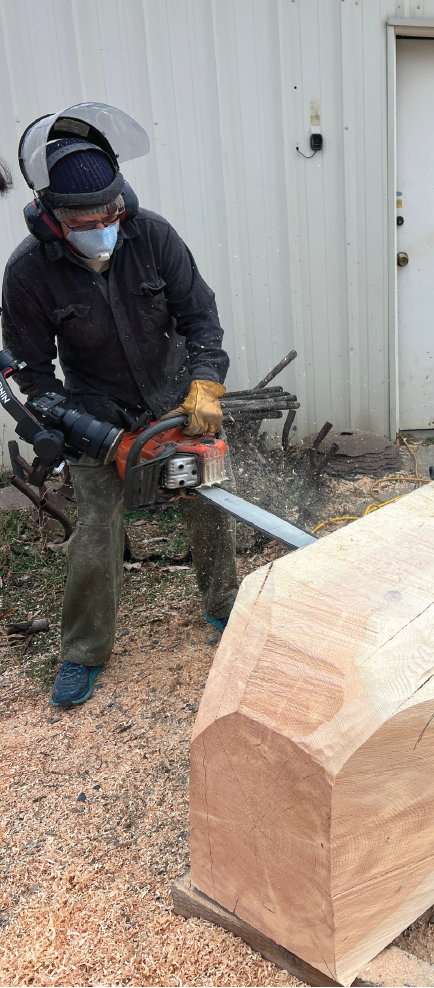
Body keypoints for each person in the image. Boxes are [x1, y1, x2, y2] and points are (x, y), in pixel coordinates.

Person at [2, 103, 238, 708]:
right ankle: (83, 651)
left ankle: (226, 608)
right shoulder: (28, 272)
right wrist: (98, 438)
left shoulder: (152, 236)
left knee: (210, 505)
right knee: (96, 532)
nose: (103, 225)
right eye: (87, 220)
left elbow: (201, 318)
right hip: (95, 414)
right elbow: (33, 376)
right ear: (52, 217)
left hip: (174, 401)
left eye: (111, 212)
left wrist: (205, 385)